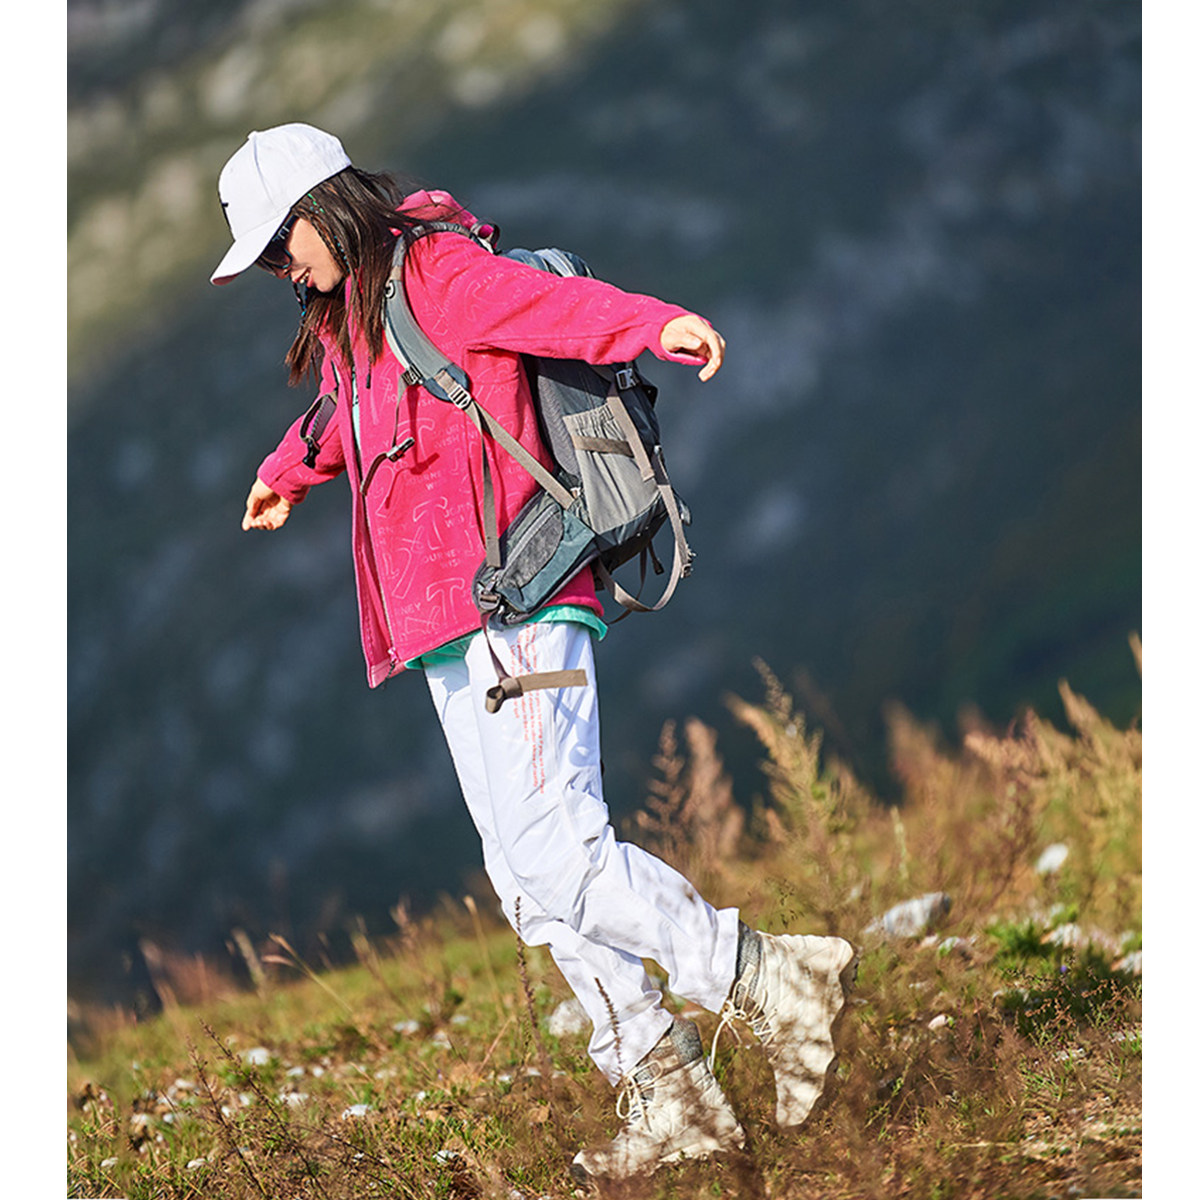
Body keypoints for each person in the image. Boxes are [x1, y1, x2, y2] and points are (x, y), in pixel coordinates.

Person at [212, 122, 856, 1182]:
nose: (282, 273)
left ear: (318, 209)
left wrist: (659, 325)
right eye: (271, 263)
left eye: (281, 249)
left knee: (562, 848)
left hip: (520, 595)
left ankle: (770, 980)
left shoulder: (439, 270)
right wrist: (288, 470)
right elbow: (350, 417)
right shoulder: (355, 316)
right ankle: (669, 1090)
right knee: (523, 878)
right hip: (449, 632)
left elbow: (553, 309)